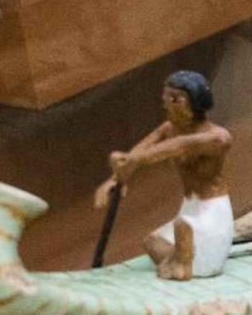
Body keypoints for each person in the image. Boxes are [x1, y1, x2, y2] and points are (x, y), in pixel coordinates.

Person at [95, 71, 233, 280]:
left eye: (175, 99)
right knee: (153, 241)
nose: (167, 104)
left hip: (212, 210)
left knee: (183, 226)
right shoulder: (170, 128)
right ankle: (182, 261)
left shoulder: (218, 137)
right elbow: (144, 147)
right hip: (190, 205)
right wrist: (117, 178)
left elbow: (178, 146)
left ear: (196, 101)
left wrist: (132, 160)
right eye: (166, 98)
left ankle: (184, 266)